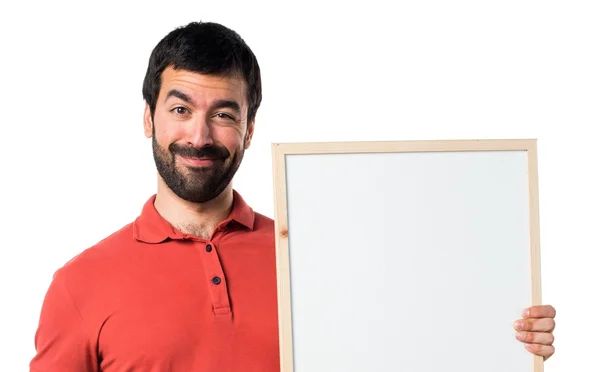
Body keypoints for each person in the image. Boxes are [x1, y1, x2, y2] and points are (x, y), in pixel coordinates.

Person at [29, 21, 557, 371]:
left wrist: (508, 337)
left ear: (250, 129)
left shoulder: (312, 260)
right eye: (180, 109)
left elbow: (413, 341)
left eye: (224, 114)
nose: (200, 136)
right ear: (147, 118)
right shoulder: (79, 285)